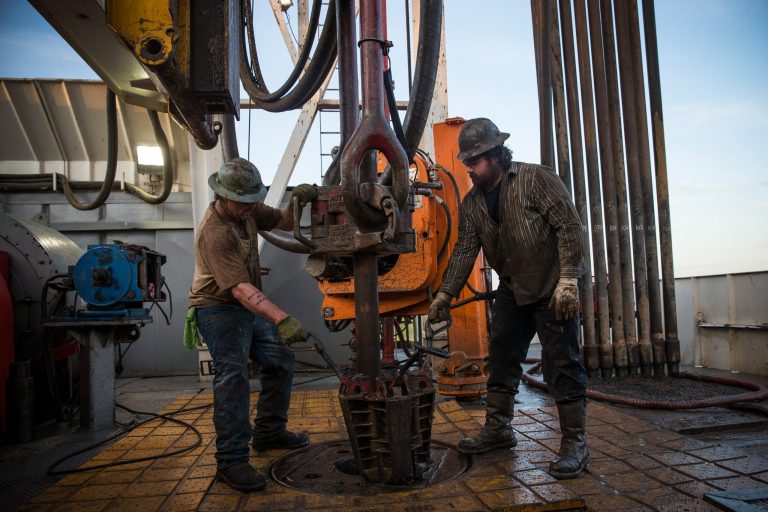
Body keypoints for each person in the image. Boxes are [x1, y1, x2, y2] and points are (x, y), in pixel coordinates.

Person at [428, 118, 589, 479]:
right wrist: (445, 294)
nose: (467, 168)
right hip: (513, 289)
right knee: (502, 356)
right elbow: (465, 249)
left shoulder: (535, 179)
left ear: (496, 155)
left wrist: (568, 280)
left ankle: (575, 443)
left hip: (552, 287)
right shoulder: (473, 203)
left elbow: (569, 225)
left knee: (562, 362)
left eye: (474, 161)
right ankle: (499, 430)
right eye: (466, 161)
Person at [187, 157, 318, 492]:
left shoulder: (247, 209)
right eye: (243, 202)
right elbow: (241, 290)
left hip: (245, 306)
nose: (249, 208)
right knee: (233, 375)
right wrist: (282, 318)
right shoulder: (215, 234)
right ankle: (231, 462)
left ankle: (270, 432)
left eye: (251, 201)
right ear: (223, 195)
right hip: (217, 309)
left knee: (280, 360)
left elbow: (286, 222)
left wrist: (297, 200)